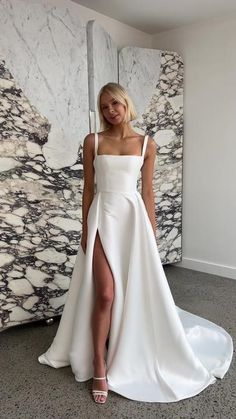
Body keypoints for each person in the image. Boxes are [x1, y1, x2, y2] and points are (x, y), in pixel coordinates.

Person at [38, 82, 233, 405]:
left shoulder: (146, 144)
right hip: (103, 217)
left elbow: (147, 193)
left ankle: (122, 341)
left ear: (126, 104)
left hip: (133, 220)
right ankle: (99, 364)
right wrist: (87, 228)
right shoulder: (93, 141)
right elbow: (89, 189)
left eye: (114, 103)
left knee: (131, 288)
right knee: (105, 292)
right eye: (103, 107)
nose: (110, 111)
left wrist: (150, 233)